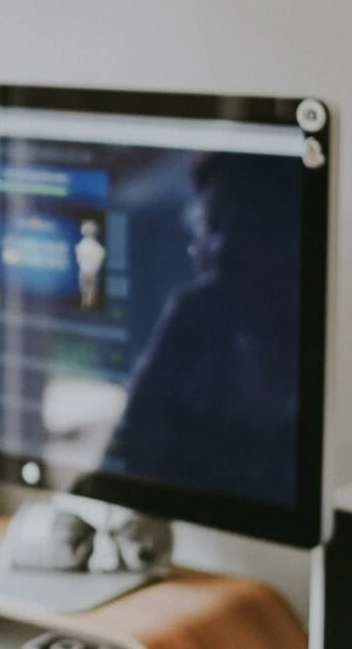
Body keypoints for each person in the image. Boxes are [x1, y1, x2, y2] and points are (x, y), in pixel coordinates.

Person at [93, 153, 303, 506]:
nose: (222, 248)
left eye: (249, 226)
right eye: (211, 225)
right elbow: (115, 478)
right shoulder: (199, 355)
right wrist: (167, 357)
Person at [74, 219, 107, 309]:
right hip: (84, 270)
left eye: (90, 228)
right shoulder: (80, 246)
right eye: (86, 227)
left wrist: (94, 266)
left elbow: (101, 255)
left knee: (91, 292)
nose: (87, 230)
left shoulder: (98, 248)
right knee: (84, 289)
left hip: (92, 271)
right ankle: (85, 304)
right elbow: (79, 257)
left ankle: (89, 306)